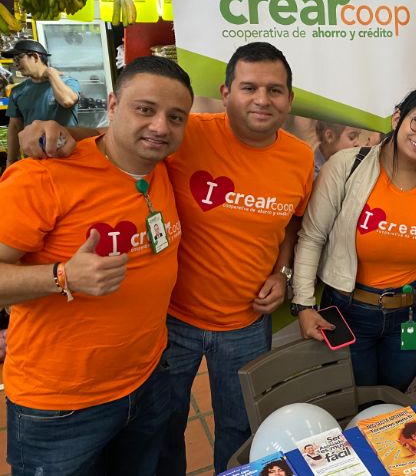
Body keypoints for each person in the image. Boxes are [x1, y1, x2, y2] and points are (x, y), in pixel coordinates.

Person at [17, 42, 314, 474]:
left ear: (290, 98)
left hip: (246, 324)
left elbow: (292, 221)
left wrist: (282, 271)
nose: (262, 100)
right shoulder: (186, 132)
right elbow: (119, 138)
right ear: (226, 93)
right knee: (164, 431)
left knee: (238, 428)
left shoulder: (300, 157)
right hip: (174, 322)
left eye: (275, 90)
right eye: (249, 87)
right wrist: (52, 131)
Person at [0, 56, 193, 475]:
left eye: (175, 117)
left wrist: (64, 130)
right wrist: (61, 276)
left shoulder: (161, 167)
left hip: (147, 380)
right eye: (145, 109)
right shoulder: (43, 177)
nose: (160, 126)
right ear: (113, 105)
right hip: (61, 407)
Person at [292, 88, 416, 391]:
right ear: (397, 118)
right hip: (350, 311)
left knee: (393, 399)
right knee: (356, 398)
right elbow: (312, 237)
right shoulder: (346, 165)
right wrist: (303, 305)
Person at [2, 39, 80, 169]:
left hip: (67, 155)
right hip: (34, 159)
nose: (15, 64)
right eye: (14, 60)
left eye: (18, 58)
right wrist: (10, 161)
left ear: (35, 56)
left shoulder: (68, 82)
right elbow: (14, 127)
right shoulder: (17, 91)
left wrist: (50, 73)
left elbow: (67, 101)